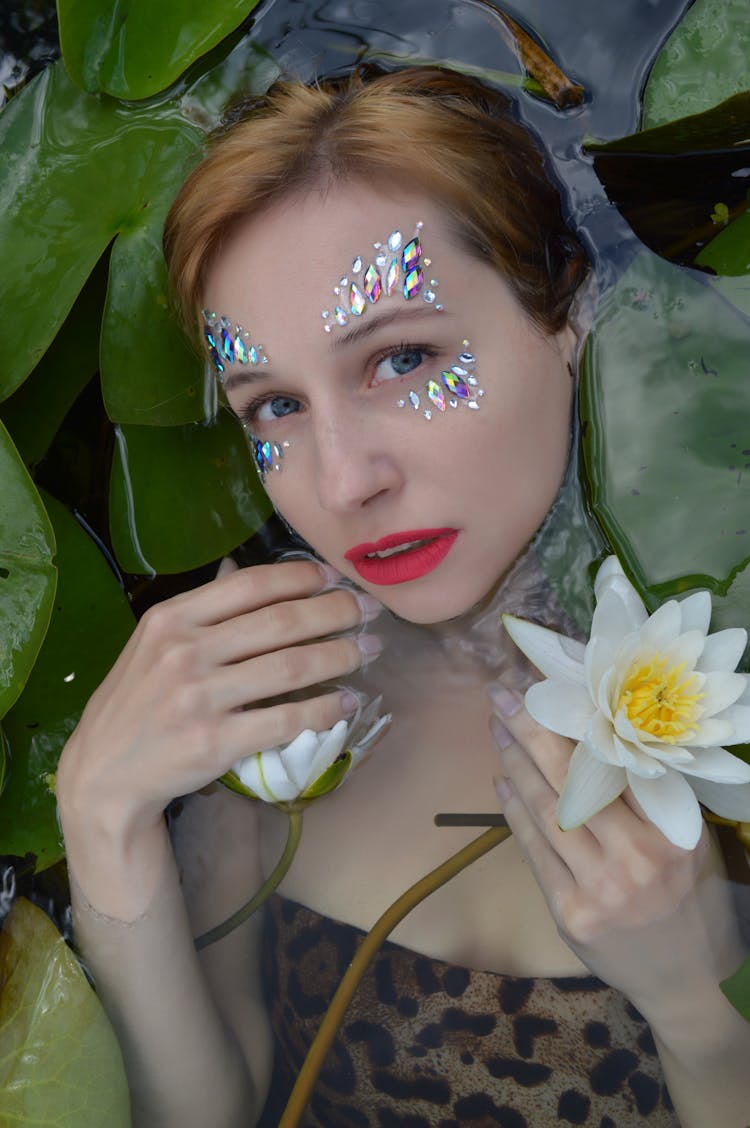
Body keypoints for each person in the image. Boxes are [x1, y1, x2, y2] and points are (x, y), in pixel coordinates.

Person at [56, 67, 750, 1127]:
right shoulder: (266, 706)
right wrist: (102, 817)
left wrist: (704, 1019)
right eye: (275, 403)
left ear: (570, 308)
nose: (342, 483)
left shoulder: (731, 662)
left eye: (404, 358)